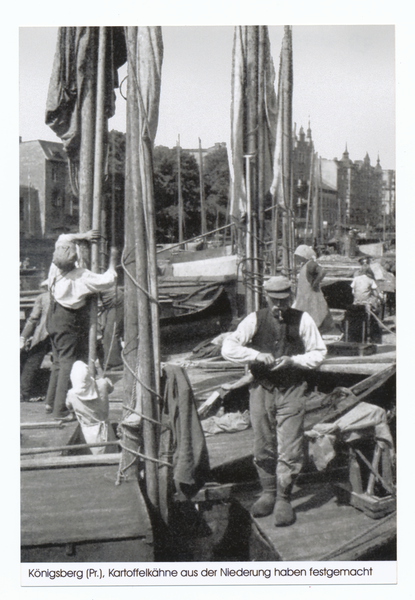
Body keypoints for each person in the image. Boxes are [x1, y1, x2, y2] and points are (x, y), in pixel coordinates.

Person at [222, 276, 327, 526]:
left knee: (290, 445)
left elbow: (319, 353)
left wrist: (295, 361)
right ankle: (268, 492)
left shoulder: (303, 319)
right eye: (275, 301)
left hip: (292, 388)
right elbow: (228, 347)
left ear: (290, 297)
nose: (280, 306)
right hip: (262, 388)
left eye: (284, 300)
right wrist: (256, 355)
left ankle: (283, 498)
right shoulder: (254, 319)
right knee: (263, 443)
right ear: (267, 298)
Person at [45, 230, 118, 420]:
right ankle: (60, 410)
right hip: (67, 320)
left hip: (52, 316)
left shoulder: (54, 268)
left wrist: (83, 235)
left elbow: (63, 237)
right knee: (67, 362)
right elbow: (109, 280)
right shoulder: (81, 275)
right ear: (76, 257)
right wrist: (112, 260)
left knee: (59, 361)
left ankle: (50, 402)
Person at [65, 360, 117, 454]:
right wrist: (98, 367)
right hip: (105, 428)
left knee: (94, 456)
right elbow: (109, 386)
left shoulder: (71, 394)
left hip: (88, 431)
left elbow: (69, 406)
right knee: (111, 455)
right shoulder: (102, 384)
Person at [292, 244, 334, 333]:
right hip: (304, 297)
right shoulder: (305, 265)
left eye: (298, 256)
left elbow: (322, 271)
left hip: (310, 296)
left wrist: (315, 283)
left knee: (315, 316)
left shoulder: (310, 264)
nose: (297, 258)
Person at [20, 280, 51, 402]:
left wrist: (23, 336)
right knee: (61, 363)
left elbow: (33, 319)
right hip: (61, 333)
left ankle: (24, 392)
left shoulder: (42, 297)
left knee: (32, 361)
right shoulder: (69, 295)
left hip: (43, 333)